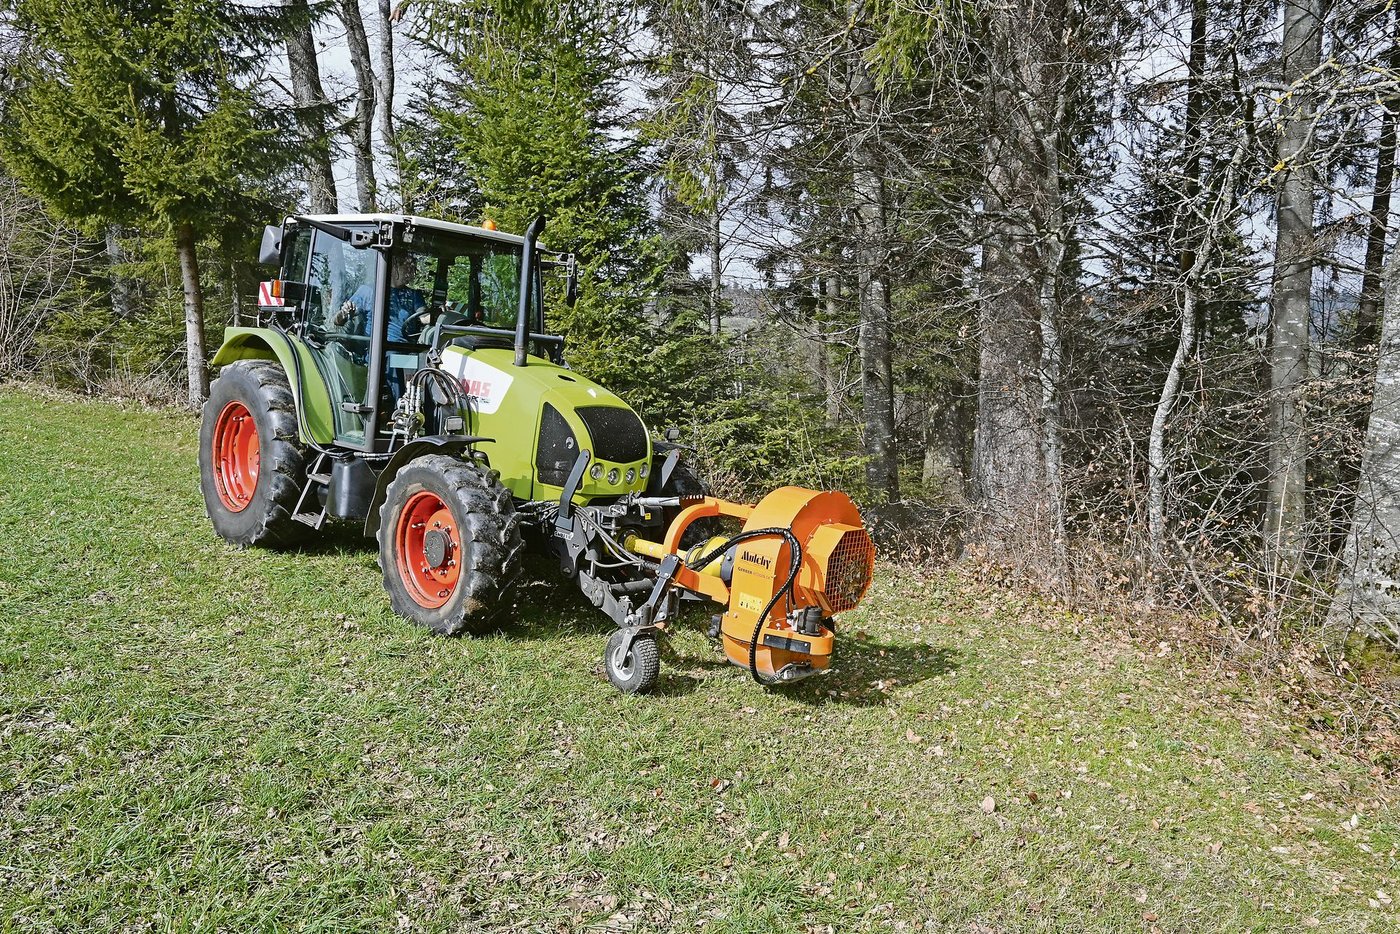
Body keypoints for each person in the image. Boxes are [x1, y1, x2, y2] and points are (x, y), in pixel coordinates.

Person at [332, 251, 430, 342]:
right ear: (394, 266)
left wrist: (440, 314)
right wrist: (343, 313)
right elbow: (338, 321)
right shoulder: (368, 291)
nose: (411, 274)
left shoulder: (413, 295)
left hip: (405, 351)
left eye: (413, 269)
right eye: (408, 268)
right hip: (375, 351)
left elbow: (424, 317)